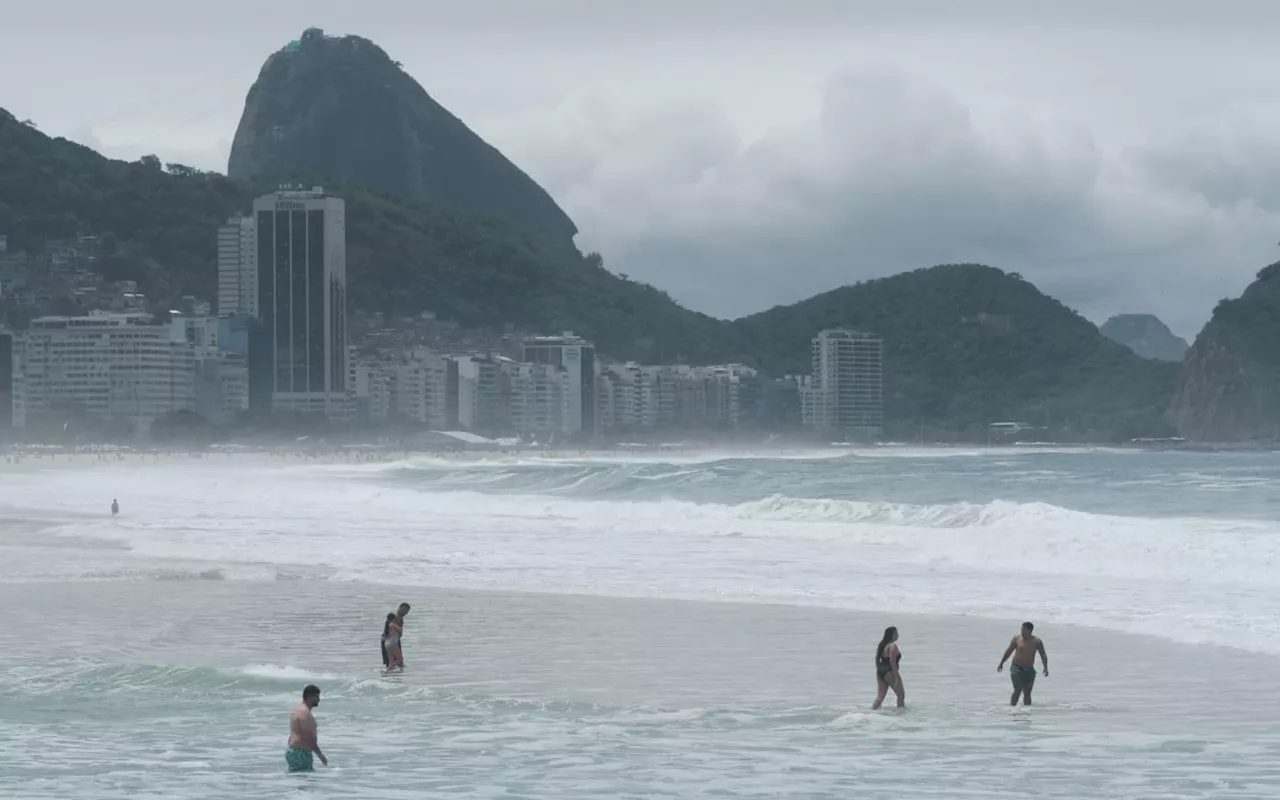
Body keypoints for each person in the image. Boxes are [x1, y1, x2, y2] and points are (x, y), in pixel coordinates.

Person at [997, 621, 1048, 706]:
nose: (1022, 631)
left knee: (1027, 693)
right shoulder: (1017, 639)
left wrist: (1045, 667)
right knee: (1018, 689)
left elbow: (1043, 654)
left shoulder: (1036, 641)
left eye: (1024, 630)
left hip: (1029, 669)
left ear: (1030, 630)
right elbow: (1009, 651)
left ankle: (1027, 713)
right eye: (1021, 629)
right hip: (1016, 668)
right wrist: (1001, 662)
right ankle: (1012, 710)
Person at [286, 684, 327, 773]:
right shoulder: (303, 712)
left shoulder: (298, 711)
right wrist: (320, 755)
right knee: (303, 782)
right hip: (300, 752)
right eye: (317, 697)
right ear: (309, 697)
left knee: (300, 781)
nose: (319, 699)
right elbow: (308, 736)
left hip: (296, 751)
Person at [872, 625, 904, 710]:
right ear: (892, 635)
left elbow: (876, 658)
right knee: (901, 695)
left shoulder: (882, 645)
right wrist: (896, 676)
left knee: (880, 697)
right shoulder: (892, 646)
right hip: (890, 671)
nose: (898, 635)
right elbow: (892, 662)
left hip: (881, 671)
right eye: (896, 633)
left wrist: (879, 670)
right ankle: (901, 716)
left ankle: (872, 712)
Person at [380, 602, 411, 669]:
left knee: (395, 662)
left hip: (393, 640)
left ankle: (392, 677)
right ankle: (389, 675)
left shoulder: (400, 618)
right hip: (390, 641)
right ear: (401, 608)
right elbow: (391, 630)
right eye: (406, 611)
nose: (406, 613)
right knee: (396, 662)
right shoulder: (394, 618)